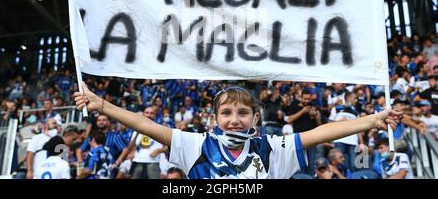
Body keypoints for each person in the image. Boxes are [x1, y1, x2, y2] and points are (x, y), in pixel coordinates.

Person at [74, 84, 402, 179]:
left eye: (243, 112)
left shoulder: (273, 147)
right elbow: (146, 124)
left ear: (255, 119)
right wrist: (101, 106)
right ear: (215, 117)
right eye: (227, 112)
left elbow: (325, 131)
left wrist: (372, 121)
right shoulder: (194, 144)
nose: (235, 119)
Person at [285, 90, 322, 175]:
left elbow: (319, 125)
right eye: (305, 99)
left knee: (311, 163)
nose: (307, 101)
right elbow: (289, 119)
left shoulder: (314, 106)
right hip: (298, 138)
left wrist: (317, 117)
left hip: (312, 138)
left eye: (308, 99)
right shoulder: (295, 105)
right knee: (299, 163)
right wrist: (302, 111)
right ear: (301, 97)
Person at [126, 107, 168, 179]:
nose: (149, 115)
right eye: (147, 113)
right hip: (137, 161)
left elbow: (168, 147)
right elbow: (130, 148)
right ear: (143, 114)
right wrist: (137, 134)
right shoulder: (136, 129)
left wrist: (158, 151)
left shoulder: (160, 129)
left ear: (155, 116)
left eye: (151, 113)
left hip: (153, 162)